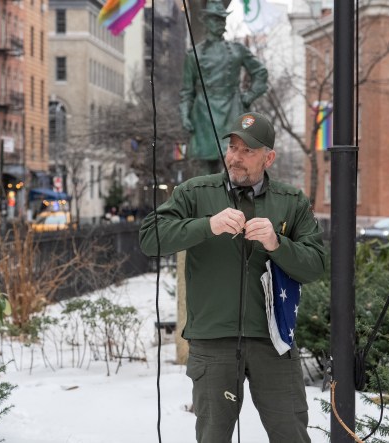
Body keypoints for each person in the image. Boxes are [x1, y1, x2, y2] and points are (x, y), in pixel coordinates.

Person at [139, 112, 325, 442]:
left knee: (292, 435)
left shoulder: (291, 202)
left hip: (275, 342)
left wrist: (276, 244)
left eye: (247, 151)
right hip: (214, 342)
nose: (235, 157)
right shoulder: (195, 193)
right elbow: (149, 238)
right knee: (212, 436)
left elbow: (316, 266)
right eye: (232, 147)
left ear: (269, 158)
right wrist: (206, 226)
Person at [179, 0, 268, 175]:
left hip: (232, 109)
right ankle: (207, 201)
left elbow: (260, 73)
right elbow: (187, 90)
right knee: (206, 167)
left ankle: (233, 200)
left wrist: (249, 96)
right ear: (206, 22)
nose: (220, 23)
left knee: (235, 160)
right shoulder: (193, 55)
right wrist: (185, 114)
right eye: (215, 19)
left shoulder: (237, 50)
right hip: (203, 112)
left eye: (222, 19)